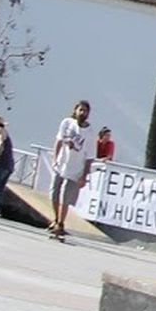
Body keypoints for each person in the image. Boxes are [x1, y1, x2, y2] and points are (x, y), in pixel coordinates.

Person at [48, 99, 92, 239]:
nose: (82, 113)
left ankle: (61, 223)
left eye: (85, 111)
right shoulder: (67, 123)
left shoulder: (90, 132)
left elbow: (90, 157)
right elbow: (59, 141)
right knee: (54, 193)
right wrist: (55, 158)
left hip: (75, 169)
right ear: (75, 111)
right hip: (61, 164)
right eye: (80, 110)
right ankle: (55, 219)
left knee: (65, 197)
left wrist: (84, 175)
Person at [0, 114, 14, 217]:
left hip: (2, 163)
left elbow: (1, 143)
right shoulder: (6, 132)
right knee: (0, 187)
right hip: (9, 164)